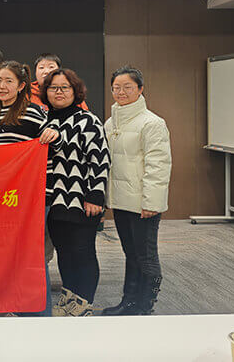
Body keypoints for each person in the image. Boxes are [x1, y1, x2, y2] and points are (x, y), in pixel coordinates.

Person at [0, 60, 61, 317]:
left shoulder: (33, 112)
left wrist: (53, 133)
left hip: (34, 198)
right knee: (8, 256)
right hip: (6, 200)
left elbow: (51, 143)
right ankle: (14, 308)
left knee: (33, 258)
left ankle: (40, 315)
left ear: (20, 86)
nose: (2, 86)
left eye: (8, 81)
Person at [41, 68, 110, 317]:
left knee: (82, 251)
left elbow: (100, 159)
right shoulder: (46, 121)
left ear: (75, 91)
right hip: (54, 201)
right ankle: (68, 297)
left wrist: (95, 195)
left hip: (82, 200)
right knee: (64, 252)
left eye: (65, 87)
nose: (58, 92)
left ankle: (84, 303)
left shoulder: (88, 120)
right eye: (53, 88)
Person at [102, 66, 171, 316]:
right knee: (130, 254)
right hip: (122, 201)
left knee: (146, 256)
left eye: (127, 87)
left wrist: (151, 202)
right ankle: (128, 302)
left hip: (143, 203)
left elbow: (158, 165)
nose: (121, 92)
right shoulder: (111, 122)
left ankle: (145, 306)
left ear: (140, 89)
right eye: (116, 88)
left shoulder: (152, 123)